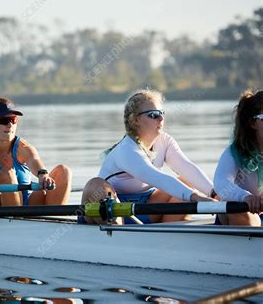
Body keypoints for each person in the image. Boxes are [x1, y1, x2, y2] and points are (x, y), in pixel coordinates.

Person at [80, 89, 217, 225]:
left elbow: (187, 168)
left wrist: (215, 195)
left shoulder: (165, 141)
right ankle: (117, 233)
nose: (161, 118)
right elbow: (155, 176)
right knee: (95, 185)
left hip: (147, 208)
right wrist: (196, 197)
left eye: (162, 113)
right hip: (110, 210)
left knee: (187, 181)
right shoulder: (127, 150)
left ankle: (168, 233)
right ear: (135, 120)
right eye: (153, 114)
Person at [0, 98, 72, 206]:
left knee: (64, 171)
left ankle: (53, 218)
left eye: (13, 120)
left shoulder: (24, 147)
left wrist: (43, 175)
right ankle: (14, 218)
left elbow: (35, 161)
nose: (10, 125)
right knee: (6, 174)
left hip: (23, 203)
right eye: (3, 121)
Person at [214, 89, 263, 226]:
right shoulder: (233, 152)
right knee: (239, 212)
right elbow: (221, 184)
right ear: (253, 124)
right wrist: (246, 197)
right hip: (239, 215)